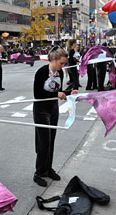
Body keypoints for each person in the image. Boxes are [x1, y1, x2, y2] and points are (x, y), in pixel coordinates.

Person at [33, 46, 78, 187]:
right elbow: (38, 94)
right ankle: (39, 172)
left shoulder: (60, 73)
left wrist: (68, 93)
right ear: (53, 59)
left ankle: (48, 168)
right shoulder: (41, 72)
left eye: (64, 63)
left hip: (53, 108)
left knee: (51, 140)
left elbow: (58, 91)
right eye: (61, 63)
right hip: (41, 110)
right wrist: (56, 95)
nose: (63, 66)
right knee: (43, 142)